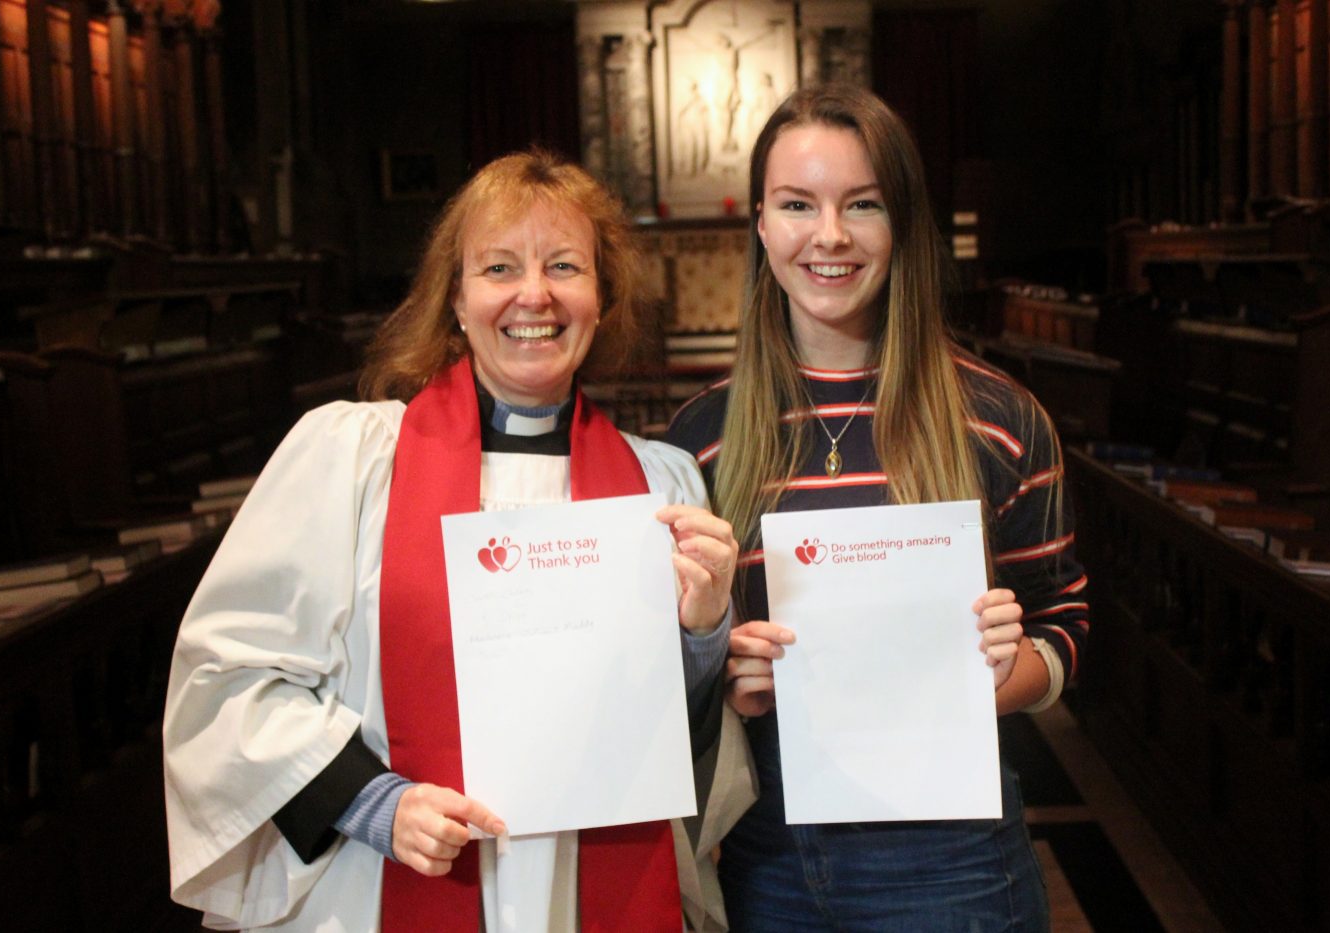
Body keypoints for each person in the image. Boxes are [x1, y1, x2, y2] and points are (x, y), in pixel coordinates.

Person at [164, 150, 755, 932]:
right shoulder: (353, 460)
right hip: (387, 882)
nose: (534, 294)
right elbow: (227, 680)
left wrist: (703, 633)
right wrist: (376, 802)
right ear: (456, 298)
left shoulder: (661, 487)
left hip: (593, 889)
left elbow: (671, 747)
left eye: (566, 266)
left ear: (603, 298)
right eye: (500, 266)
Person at [665, 85, 1090, 931]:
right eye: (797, 204)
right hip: (768, 846)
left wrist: (1004, 678)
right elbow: (673, 662)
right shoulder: (700, 437)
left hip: (952, 857)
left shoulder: (1001, 418)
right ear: (760, 223)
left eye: (862, 204)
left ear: (902, 224)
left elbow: (1066, 623)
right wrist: (727, 670)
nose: (829, 235)